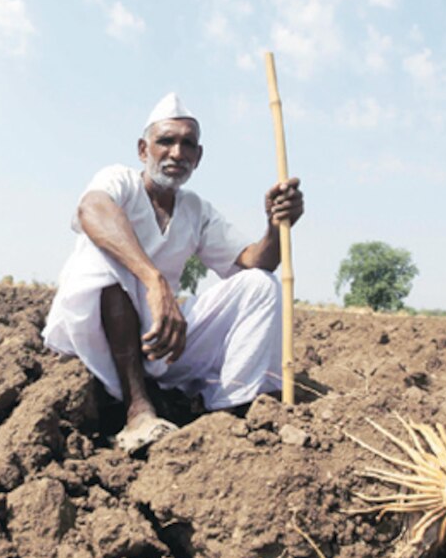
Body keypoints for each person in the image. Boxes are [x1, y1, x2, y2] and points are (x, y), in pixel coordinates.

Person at [42, 92, 304, 453]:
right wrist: (154, 280)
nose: (177, 153)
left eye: (187, 144)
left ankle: (232, 409)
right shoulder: (119, 181)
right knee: (101, 256)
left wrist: (276, 225)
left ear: (198, 156)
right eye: (166, 141)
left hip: (162, 338)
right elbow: (92, 209)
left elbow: (252, 261)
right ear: (143, 149)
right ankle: (137, 410)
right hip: (99, 334)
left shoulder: (195, 209)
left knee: (261, 285)